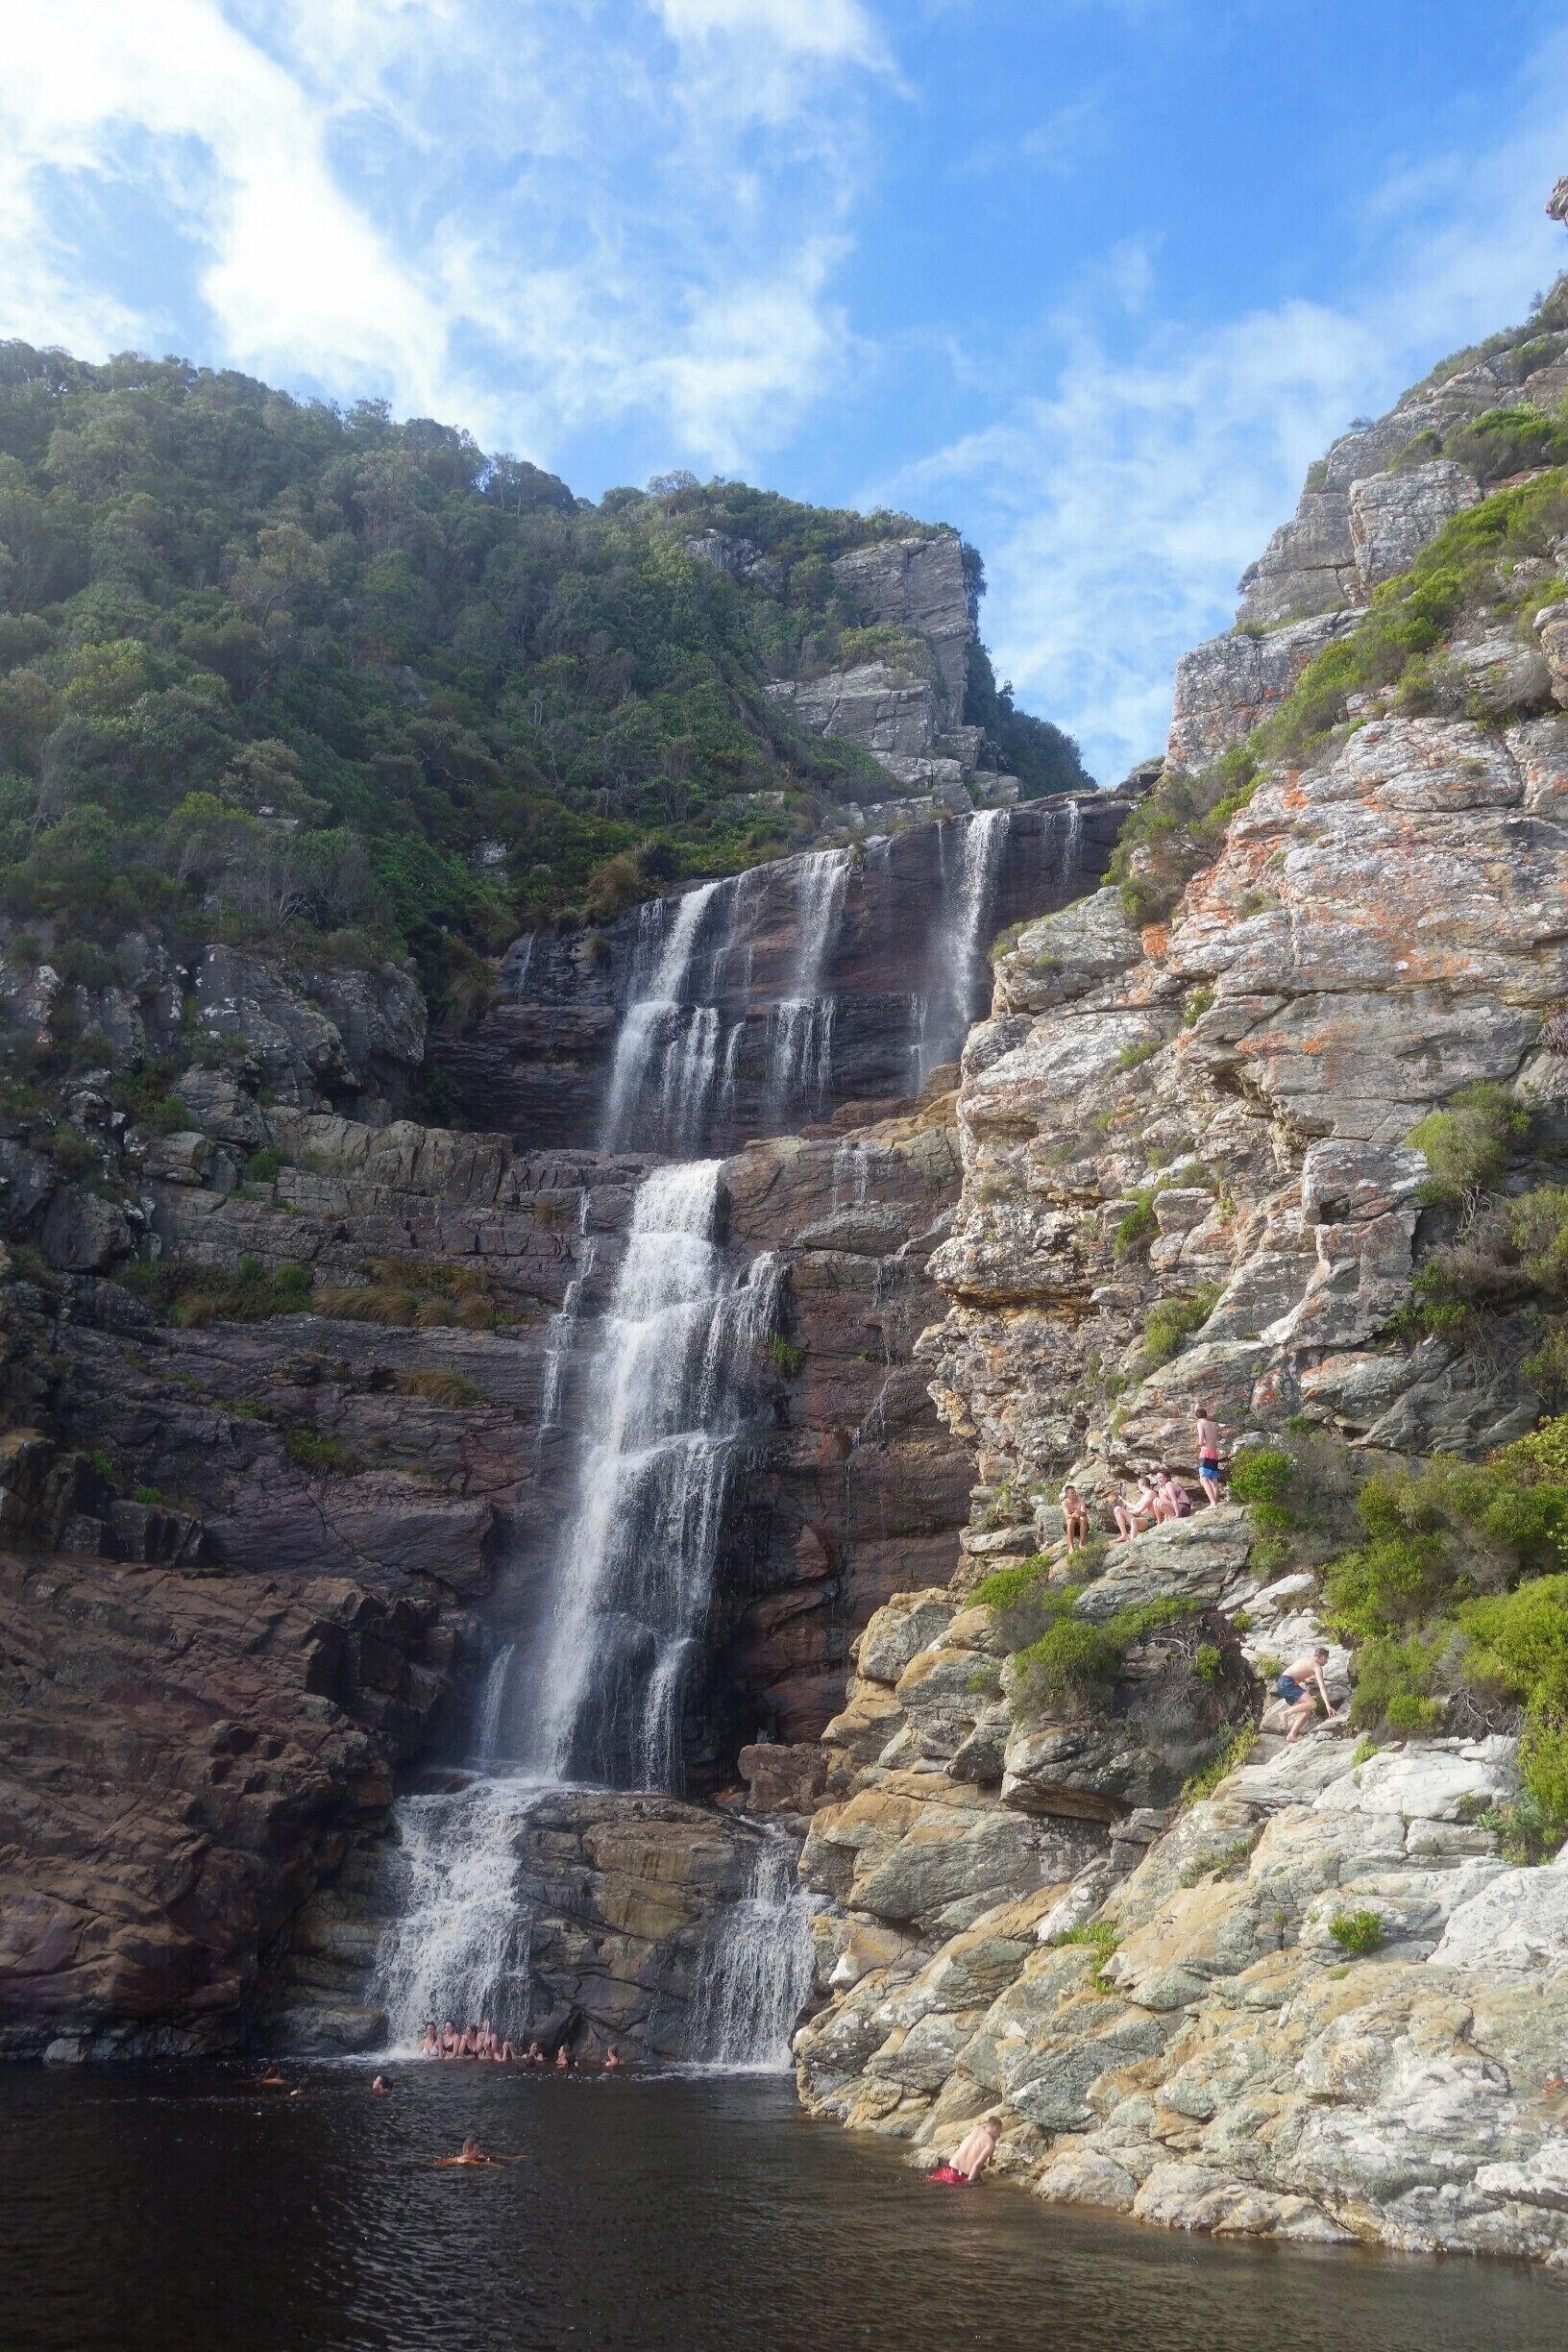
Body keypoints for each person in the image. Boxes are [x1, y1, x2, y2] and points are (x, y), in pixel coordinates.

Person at [1277, 1646, 1334, 1743]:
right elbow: (1322, 1687)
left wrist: (1304, 1679)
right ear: (1323, 1657)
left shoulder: (1305, 1659)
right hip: (1288, 1683)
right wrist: (1328, 1706)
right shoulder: (1317, 1666)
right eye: (1327, 1659)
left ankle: (1292, 1735)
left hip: (1282, 1683)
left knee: (1307, 1711)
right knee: (1313, 1704)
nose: (1327, 1662)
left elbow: (1295, 1671)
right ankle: (1285, 1713)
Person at [928, 2116, 1000, 2186]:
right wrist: (969, 2182)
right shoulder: (990, 2144)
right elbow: (977, 2165)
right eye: (999, 2132)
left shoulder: (977, 2130)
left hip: (947, 2170)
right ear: (996, 2129)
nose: (999, 2135)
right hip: (958, 2176)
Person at [1195, 1409, 1223, 1507]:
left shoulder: (1200, 1424)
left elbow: (1201, 1441)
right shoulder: (1212, 1424)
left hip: (1206, 1453)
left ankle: (1212, 1503)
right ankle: (1215, 1502)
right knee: (1214, 1480)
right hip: (1214, 1453)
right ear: (1206, 1414)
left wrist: (1198, 1444)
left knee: (1203, 1479)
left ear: (1197, 1416)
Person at [1060, 1484, 1089, 1554]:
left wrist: (1079, 1512)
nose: (1074, 1494)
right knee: (1070, 1520)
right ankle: (1071, 1546)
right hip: (1070, 1526)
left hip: (1081, 1526)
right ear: (1067, 1494)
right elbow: (1067, 1515)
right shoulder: (1064, 1503)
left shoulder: (1081, 1500)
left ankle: (1081, 1543)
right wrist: (1073, 1515)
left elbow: (1084, 1513)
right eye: (1072, 1493)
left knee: (1083, 1518)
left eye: (1074, 1492)